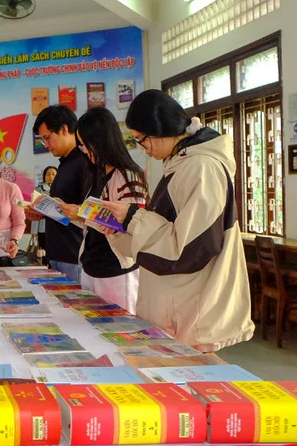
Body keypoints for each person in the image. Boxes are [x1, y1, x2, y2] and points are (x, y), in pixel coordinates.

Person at [98, 89, 254, 351]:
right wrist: (119, 229)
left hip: (191, 312)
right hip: (175, 305)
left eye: (140, 140)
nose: (142, 149)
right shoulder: (180, 164)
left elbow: (190, 248)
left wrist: (133, 218)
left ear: (158, 131)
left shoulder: (202, 167)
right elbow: (161, 237)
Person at [58, 108, 147, 313]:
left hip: (116, 269)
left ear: (100, 140)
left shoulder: (128, 176)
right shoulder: (97, 175)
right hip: (91, 266)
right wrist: (67, 211)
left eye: (85, 144)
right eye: (81, 145)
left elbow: (128, 224)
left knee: (122, 327)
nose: (84, 151)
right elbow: (92, 223)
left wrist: (82, 213)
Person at [29, 105, 90, 282]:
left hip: (75, 255)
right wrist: (43, 212)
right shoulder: (64, 163)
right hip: (58, 253)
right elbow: (66, 207)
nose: (46, 145)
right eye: (43, 140)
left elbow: (89, 210)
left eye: (47, 138)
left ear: (64, 129)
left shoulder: (84, 161)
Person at [31, 166, 56, 261]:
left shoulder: (62, 190)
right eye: (48, 174)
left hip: (58, 228)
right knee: (44, 254)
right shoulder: (39, 190)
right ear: (44, 176)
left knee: (56, 253)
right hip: (43, 227)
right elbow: (35, 212)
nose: (51, 177)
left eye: (54, 174)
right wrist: (34, 232)